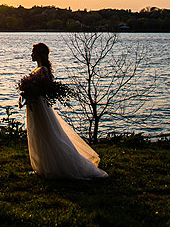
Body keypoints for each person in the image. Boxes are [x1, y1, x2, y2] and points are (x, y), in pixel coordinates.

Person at [24, 42, 108, 179]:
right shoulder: (39, 69)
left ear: (40, 54)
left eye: (34, 52)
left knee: (47, 133)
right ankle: (44, 167)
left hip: (40, 107)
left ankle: (56, 166)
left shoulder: (43, 70)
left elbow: (45, 89)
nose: (31, 55)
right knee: (39, 133)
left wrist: (31, 91)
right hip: (35, 106)